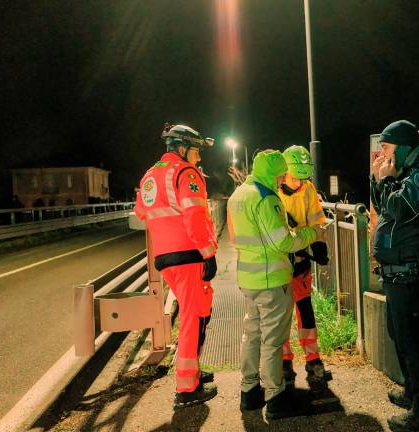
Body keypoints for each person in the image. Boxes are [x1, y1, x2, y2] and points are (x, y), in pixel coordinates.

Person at [370, 120, 419, 431]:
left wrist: (386, 181)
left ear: (402, 147)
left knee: (414, 342)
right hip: (399, 274)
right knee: (399, 335)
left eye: (387, 148)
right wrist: (380, 183)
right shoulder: (404, 174)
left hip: (414, 274)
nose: (382, 154)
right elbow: (384, 207)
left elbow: (403, 210)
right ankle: (412, 392)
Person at [227, 150, 319, 419]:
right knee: (273, 341)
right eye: (280, 175)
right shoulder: (267, 199)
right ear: (271, 173)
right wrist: (311, 234)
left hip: (248, 278)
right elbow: (283, 241)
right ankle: (276, 396)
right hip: (271, 279)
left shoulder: (238, 196)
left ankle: (249, 391)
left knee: (251, 335)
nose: (281, 180)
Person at [134, 123, 219, 408]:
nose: (199, 157)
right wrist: (208, 253)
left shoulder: (149, 175)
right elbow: (195, 216)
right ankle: (186, 388)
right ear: (182, 148)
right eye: (196, 151)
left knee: (200, 309)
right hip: (189, 254)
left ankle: (192, 371)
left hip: (165, 257)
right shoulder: (185, 172)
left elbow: (141, 212)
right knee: (193, 318)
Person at [277, 145, 331, 390]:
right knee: (281, 315)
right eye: (295, 175)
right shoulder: (272, 189)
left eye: (303, 175)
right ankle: (285, 362)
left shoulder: (308, 189)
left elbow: (317, 220)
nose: (299, 180)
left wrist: (319, 245)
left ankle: (313, 359)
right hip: (279, 263)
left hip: (301, 261)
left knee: (305, 311)